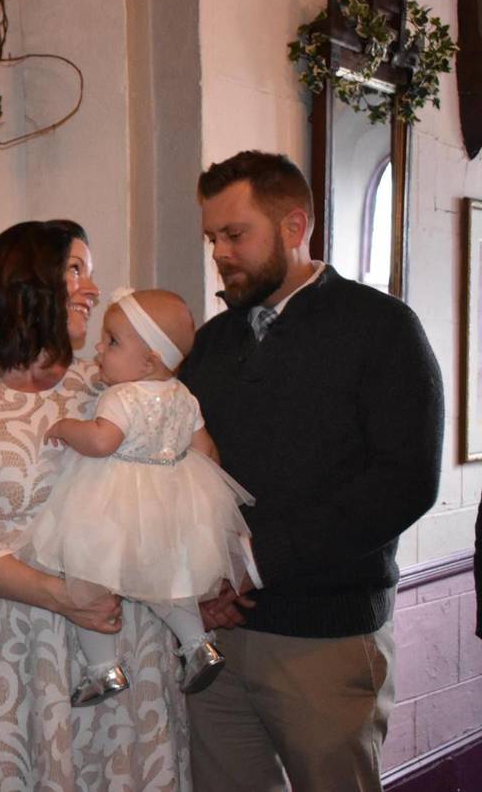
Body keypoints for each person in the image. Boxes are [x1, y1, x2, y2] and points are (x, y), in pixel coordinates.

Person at [179, 151, 444, 791]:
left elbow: (405, 480)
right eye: (213, 237)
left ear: (295, 227)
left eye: (235, 234)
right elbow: (176, 469)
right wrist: (193, 579)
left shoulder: (381, 329)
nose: (220, 252)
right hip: (216, 635)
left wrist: (254, 562)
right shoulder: (214, 343)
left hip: (322, 641)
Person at [0, 220, 193, 790]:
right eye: (75, 270)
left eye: (89, 272)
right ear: (26, 283)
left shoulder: (107, 388)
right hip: (11, 652)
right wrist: (62, 597)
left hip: (123, 638)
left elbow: (182, 472)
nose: (92, 289)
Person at [23, 287, 254, 707]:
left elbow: (101, 441)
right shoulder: (185, 397)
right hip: (169, 513)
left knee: (89, 584)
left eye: (112, 341)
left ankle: (104, 670)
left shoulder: (121, 396)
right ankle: (198, 644)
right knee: (170, 585)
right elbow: (207, 453)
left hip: (113, 509)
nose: (99, 347)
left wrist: (65, 427)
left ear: (149, 361)